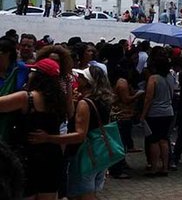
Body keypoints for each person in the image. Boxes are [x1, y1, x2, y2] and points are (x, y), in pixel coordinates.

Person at [28, 65, 114, 199]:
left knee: (84, 194)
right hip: (100, 152)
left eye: (81, 77)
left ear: (88, 81)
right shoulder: (104, 102)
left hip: (84, 154)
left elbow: (79, 135)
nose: (77, 79)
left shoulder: (85, 103)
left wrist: (48, 138)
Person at [0, 58, 66, 199]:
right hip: (51, 156)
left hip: (27, 156)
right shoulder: (60, 100)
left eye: (32, 71)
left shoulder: (26, 98)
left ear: (38, 76)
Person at [140, 47, 175, 177]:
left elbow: (148, 98)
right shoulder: (170, 77)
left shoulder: (153, 78)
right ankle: (165, 167)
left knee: (154, 141)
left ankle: (154, 167)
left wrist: (143, 115)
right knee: (164, 140)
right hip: (168, 111)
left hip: (155, 112)